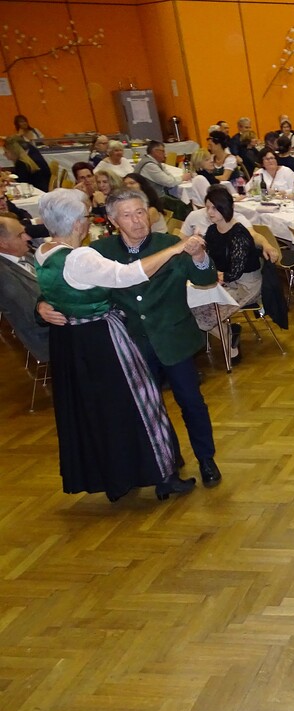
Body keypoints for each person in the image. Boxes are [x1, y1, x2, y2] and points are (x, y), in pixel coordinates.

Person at [34, 189, 202, 501]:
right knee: (144, 403)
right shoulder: (81, 256)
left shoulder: (44, 251)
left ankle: (124, 474)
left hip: (72, 344)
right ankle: (163, 476)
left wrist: (43, 305)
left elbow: (58, 289)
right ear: (77, 223)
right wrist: (176, 248)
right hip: (103, 340)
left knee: (106, 411)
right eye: (86, 217)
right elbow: (127, 275)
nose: (88, 222)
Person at [90, 188, 224, 490]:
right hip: (133, 344)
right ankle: (168, 462)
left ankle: (206, 458)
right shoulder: (101, 251)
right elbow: (75, 285)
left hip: (174, 338)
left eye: (140, 212)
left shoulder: (170, 244)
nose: (137, 220)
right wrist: (44, 305)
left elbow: (204, 279)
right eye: (127, 215)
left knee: (191, 402)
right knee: (150, 409)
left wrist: (199, 255)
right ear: (113, 221)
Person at [190, 186, 279, 363]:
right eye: (207, 207)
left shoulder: (239, 234)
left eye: (214, 208)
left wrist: (218, 277)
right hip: (225, 279)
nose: (210, 212)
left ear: (226, 208)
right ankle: (229, 334)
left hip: (247, 285)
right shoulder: (213, 231)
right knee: (192, 309)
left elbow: (236, 270)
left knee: (204, 315)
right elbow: (210, 258)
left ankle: (230, 342)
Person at [0, 215, 50, 361]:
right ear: (3, 243)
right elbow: (33, 314)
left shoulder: (24, 255)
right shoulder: (3, 275)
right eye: (20, 235)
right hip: (47, 335)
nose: (27, 237)